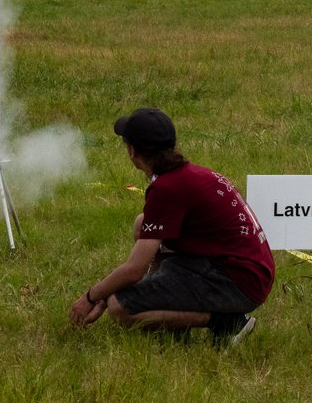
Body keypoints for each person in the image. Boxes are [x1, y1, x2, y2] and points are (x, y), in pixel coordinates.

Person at [70, 107, 274, 343]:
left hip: (239, 282)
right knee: (142, 224)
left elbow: (134, 269)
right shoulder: (188, 175)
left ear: (132, 151)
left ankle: (226, 323)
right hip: (246, 270)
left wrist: (92, 297)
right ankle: (170, 317)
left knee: (120, 308)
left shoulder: (167, 189)